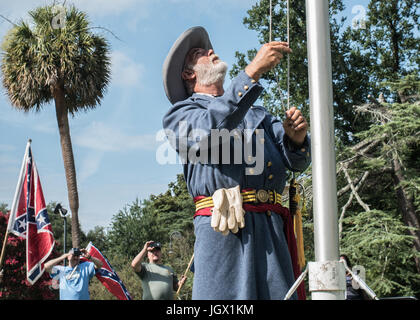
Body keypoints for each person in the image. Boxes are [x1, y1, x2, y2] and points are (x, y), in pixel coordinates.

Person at [161, 26, 311, 300]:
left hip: (271, 232)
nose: (212, 52)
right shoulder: (180, 115)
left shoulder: (257, 114)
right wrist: (251, 72)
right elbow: (209, 132)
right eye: (200, 53)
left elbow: (296, 163)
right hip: (224, 233)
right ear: (188, 74)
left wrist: (297, 139)